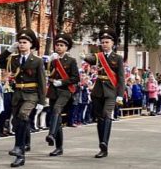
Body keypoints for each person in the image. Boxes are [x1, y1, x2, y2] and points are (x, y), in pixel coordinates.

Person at [0, 28, 46, 167]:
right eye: (20, 42)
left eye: (25, 42)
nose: (22, 44)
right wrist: (9, 51)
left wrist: (42, 101)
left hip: (31, 94)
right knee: (17, 123)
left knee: (23, 115)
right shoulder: (13, 59)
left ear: (31, 44)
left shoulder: (37, 61)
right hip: (17, 94)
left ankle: (18, 147)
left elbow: (42, 82)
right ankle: (20, 155)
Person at [83, 26, 125, 158]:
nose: (104, 44)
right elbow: (90, 59)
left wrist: (120, 95)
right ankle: (102, 144)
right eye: (102, 42)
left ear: (112, 43)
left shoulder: (117, 58)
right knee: (100, 118)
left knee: (107, 115)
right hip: (98, 91)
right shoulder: (98, 56)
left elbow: (121, 78)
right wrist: (83, 56)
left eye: (107, 42)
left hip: (111, 92)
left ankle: (104, 143)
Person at [45, 32, 79, 157]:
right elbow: (46, 73)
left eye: (61, 45)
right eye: (57, 45)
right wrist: (49, 62)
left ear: (66, 47)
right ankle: (59, 147)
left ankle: (51, 134)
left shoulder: (71, 60)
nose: (58, 47)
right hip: (53, 90)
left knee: (56, 109)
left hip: (65, 91)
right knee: (57, 118)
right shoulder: (52, 59)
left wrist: (62, 82)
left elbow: (76, 78)